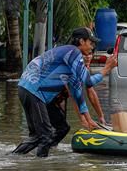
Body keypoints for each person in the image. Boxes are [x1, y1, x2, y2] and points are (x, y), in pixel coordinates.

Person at [12, 27, 117, 158]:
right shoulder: (73, 52)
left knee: (61, 128)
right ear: (81, 41)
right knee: (45, 135)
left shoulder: (70, 59)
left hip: (28, 89)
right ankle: (32, 163)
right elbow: (88, 81)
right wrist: (107, 68)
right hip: (34, 91)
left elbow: (77, 93)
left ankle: (38, 152)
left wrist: (88, 119)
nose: (92, 47)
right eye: (91, 43)